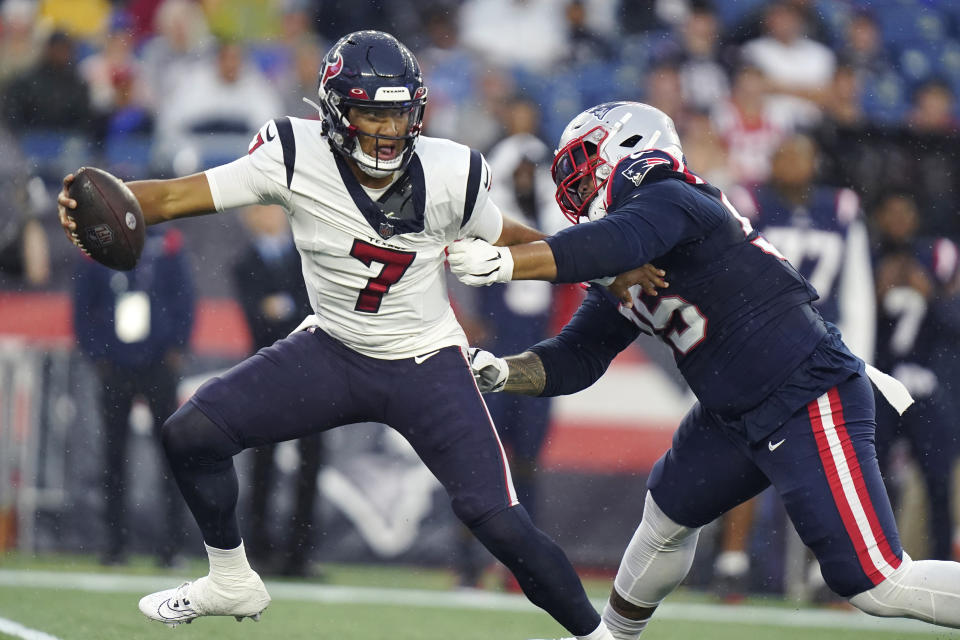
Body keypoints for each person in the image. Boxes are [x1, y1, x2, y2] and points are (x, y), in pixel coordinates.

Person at [58, 31, 660, 638]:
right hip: (332, 350)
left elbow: (513, 235)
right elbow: (179, 196)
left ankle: (598, 636)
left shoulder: (451, 171)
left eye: (399, 113)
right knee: (190, 436)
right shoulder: (292, 155)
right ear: (335, 111)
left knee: (501, 522)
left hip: (426, 362)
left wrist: (602, 269)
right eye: (371, 111)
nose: (387, 129)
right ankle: (230, 577)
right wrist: (109, 200)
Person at [448, 101, 960, 639]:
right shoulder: (623, 255)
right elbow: (579, 356)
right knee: (663, 523)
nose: (574, 189)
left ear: (626, 148)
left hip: (805, 390)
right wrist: (499, 373)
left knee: (874, 582)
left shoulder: (671, 193)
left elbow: (619, 239)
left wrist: (508, 262)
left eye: (582, 165)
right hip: (730, 412)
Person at [713, 133, 875, 599]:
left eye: (799, 155)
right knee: (744, 456)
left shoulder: (841, 208)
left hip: (820, 351)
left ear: (814, 161)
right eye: (782, 155)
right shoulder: (748, 202)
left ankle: (825, 570)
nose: (790, 164)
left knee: (821, 462)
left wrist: (859, 360)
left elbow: (858, 289)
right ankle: (731, 560)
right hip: (757, 346)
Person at [72, 226, 195, 566]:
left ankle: (171, 546)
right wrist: (98, 355)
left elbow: (185, 297)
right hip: (116, 364)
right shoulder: (97, 250)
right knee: (113, 456)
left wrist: (175, 347)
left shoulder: (167, 247)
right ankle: (114, 544)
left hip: (157, 364)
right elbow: (83, 306)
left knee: (169, 455)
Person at [232, 204, 322, 577]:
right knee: (262, 463)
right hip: (267, 373)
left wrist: (281, 309)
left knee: (310, 462)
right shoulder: (243, 263)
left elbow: (315, 308)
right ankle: (259, 550)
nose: (263, 216)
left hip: (314, 372)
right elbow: (257, 317)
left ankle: (299, 553)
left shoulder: (309, 256)